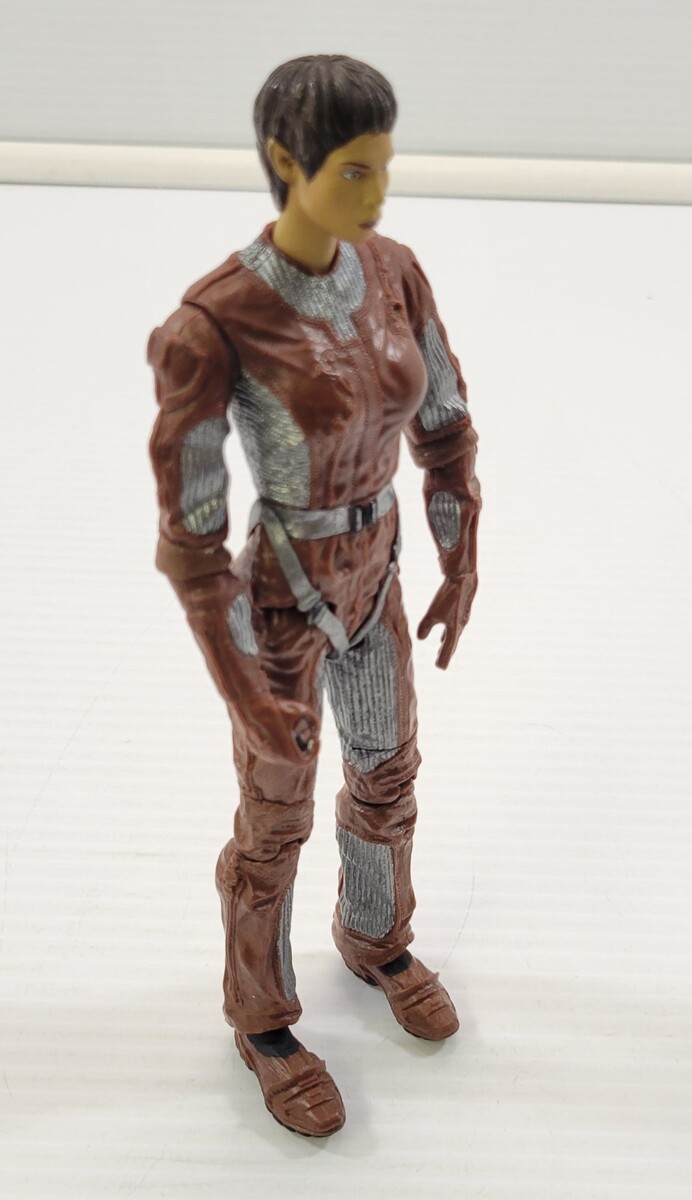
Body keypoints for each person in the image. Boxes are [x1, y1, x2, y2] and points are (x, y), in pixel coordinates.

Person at [148, 54, 481, 1137]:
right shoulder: (216, 321)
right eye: (352, 170)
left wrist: (458, 551)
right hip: (282, 596)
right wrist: (244, 686)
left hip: (377, 568)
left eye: (383, 165)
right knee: (273, 819)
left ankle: (375, 936)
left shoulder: (395, 272)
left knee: (387, 774)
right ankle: (262, 1019)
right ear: (285, 163)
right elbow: (192, 541)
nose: (376, 193)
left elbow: (443, 428)